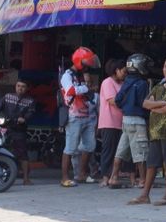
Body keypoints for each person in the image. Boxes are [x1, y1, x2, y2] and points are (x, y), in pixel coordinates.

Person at [131, 56, 166, 206]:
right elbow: (145, 103)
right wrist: (161, 103)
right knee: (152, 163)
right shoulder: (158, 87)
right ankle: (145, 195)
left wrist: (155, 107)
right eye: (165, 66)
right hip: (155, 130)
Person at [60, 47, 100, 187]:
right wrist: (85, 89)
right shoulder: (67, 76)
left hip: (88, 116)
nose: (87, 66)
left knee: (90, 146)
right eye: (85, 63)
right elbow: (70, 91)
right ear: (79, 62)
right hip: (74, 116)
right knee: (70, 148)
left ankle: (81, 174)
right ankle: (65, 178)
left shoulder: (81, 76)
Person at [112, 53, 153, 188]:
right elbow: (143, 103)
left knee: (121, 151)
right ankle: (142, 180)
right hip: (138, 122)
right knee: (140, 152)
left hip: (125, 120)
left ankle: (114, 177)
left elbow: (117, 100)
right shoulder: (142, 84)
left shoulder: (126, 82)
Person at [0, 79, 36, 185]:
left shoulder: (30, 101)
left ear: (26, 89)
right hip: (5, 129)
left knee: (23, 154)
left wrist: (24, 118)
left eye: (23, 86)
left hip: (19, 130)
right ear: (15, 87)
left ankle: (26, 179)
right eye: (18, 86)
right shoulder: (7, 97)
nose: (20, 88)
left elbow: (30, 113)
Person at [96, 60, 126, 188]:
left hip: (120, 121)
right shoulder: (107, 82)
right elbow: (113, 100)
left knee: (118, 151)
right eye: (123, 71)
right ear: (116, 70)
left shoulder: (123, 83)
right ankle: (105, 177)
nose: (125, 74)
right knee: (108, 150)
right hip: (109, 121)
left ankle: (114, 175)